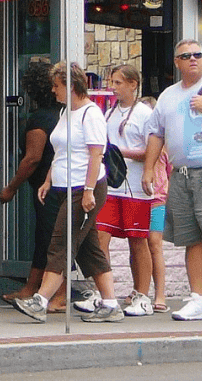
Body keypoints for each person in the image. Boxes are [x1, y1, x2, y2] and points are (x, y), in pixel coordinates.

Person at [13, 62, 124, 324]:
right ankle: (110, 303)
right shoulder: (67, 112)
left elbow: (95, 155)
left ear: (71, 86)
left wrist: (88, 191)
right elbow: (61, 151)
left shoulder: (91, 114)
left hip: (82, 187)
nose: (53, 91)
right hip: (63, 185)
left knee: (61, 242)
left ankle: (40, 300)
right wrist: (48, 180)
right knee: (88, 249)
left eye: (57, 85)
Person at [79, 64, 153, 316]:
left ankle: (141, 295)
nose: (113, 87)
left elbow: (151, 149)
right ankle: (103, 292)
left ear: (133, 84)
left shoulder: (144, 113)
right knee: (101, 237)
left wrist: (122, 154)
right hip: (110, 185)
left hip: (134, 185)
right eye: (112, 82)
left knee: (137, 240)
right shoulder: (108, 112)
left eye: (119, 83)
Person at [0, 59, 66, 311]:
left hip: (48, 186)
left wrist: (11, 187)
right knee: (44, 237)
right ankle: (32, 287)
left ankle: (58, 295)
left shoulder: (39, 119)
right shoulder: (61, 114)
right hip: (56, 184)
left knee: (52, 239)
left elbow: (32, 158)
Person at [143, 38, 202, 321]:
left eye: (198, 55)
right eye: (186, 56)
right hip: (180, 173)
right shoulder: (168, 95)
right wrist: (148, 168)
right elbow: (156, 132)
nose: (193, 59)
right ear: (177, 62)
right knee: (192, 238)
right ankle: (197, 298)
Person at [141, 96, 170, 313]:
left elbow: (170, 168)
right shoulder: (136, 139)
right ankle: (140, 291)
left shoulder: (163, 142)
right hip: (138, 196)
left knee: (154, 243)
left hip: (158, 197)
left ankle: (160, 293)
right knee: (138, 243)